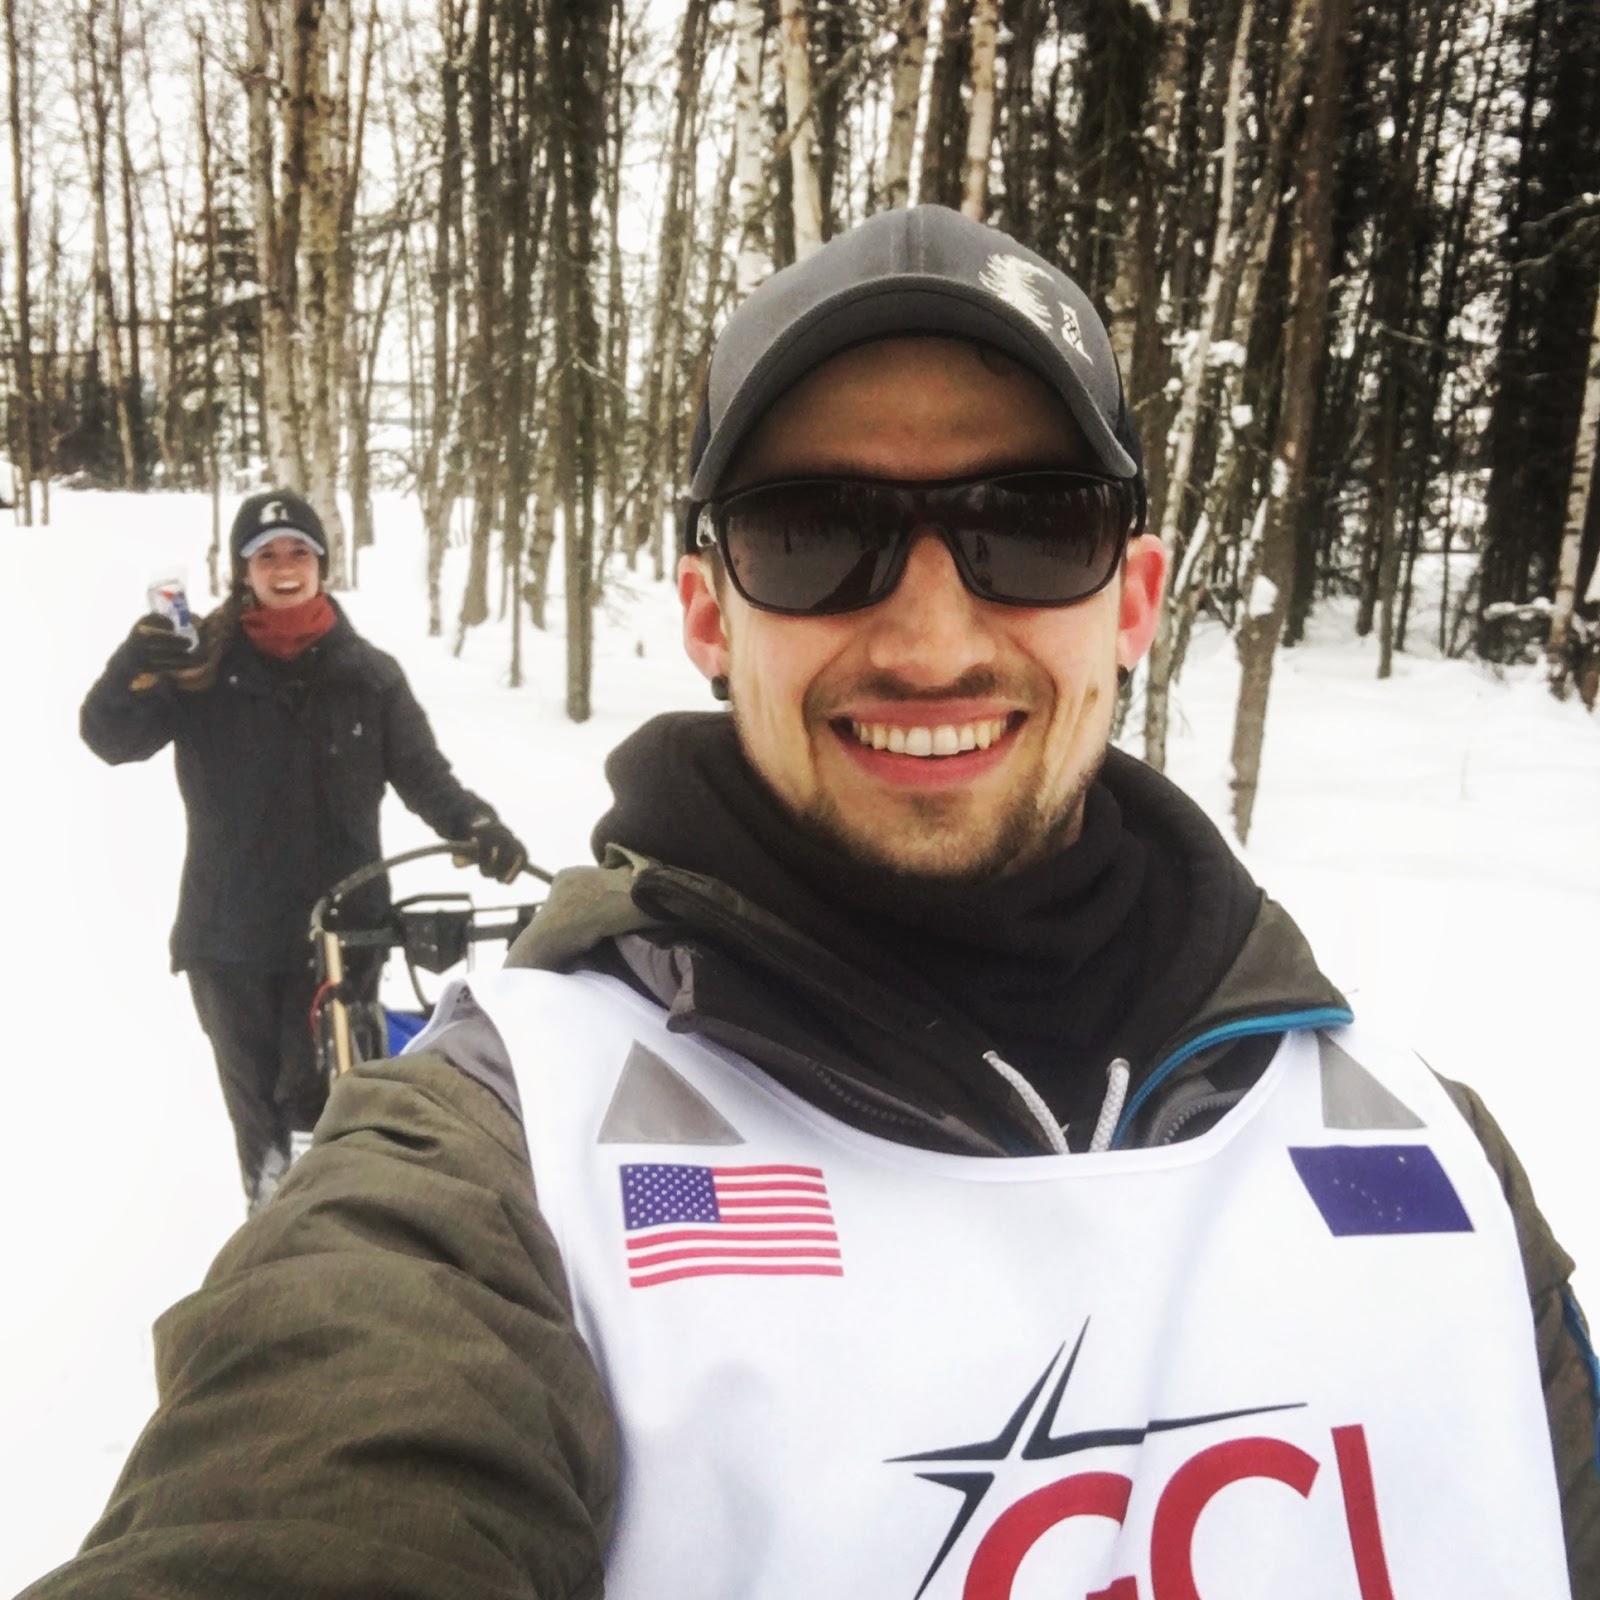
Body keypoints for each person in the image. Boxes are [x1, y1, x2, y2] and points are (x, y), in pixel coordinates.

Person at [32, 210, 1597, 1597]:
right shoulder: (517, 1158)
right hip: (232, 925)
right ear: (711, 613)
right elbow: (318, 1464)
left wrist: (484, 833)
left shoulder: (1431, 1160)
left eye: (1032, 525)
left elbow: (427, 773)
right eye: (811, 533)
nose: (927, 639)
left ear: (1130, 598)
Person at [79, 488, 530, 1214]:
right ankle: (274, 1252)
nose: (284, 567)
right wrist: (138, 661)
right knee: (258, 1120)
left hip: (341, 936)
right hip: (228, 939)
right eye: (266, 555)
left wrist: (476, 826)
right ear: (242, 570)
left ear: (322, 563)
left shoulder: (369, 676)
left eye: (299, 552)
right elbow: (109, 738)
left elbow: (424, 776)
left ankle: (338, 1249)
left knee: (320, 1108)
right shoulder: (200, 671)